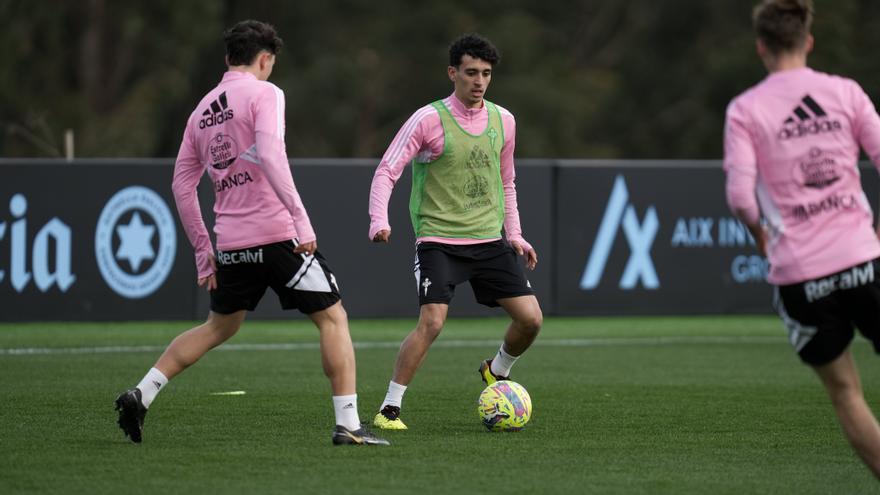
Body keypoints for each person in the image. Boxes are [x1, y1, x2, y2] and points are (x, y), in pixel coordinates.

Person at [114, 20, 388, 446]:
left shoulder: (201, 111)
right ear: (265, 59)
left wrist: (204, 251)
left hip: (232, 243)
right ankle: (348, 424)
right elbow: (273, 157)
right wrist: (301, 220)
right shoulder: (267, 93)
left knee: (218, 327)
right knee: (333, 317)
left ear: (228, 59)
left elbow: (182, 186)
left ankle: (142, 392)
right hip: (279, 237)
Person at [724, 0, 880, 478]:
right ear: (808, 41)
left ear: (762, 47)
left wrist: (760, 235)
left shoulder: (746, 109)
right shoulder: (845, 92)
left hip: (802, 274)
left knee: (847, 393)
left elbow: (740, 197)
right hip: (864, 259)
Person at [368, 33, 543, 430]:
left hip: (489, 240)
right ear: (452, 73)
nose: (478, 81)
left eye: (485, 73)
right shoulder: (428, 119)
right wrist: (380, 219)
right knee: (432, 322)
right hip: (438, 241)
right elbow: (387, 171)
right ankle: (389, 408)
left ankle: (496, 371)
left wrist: (514, 234)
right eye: (470, 73)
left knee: (531, 320)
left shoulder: (505, 121)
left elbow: (507, 182)